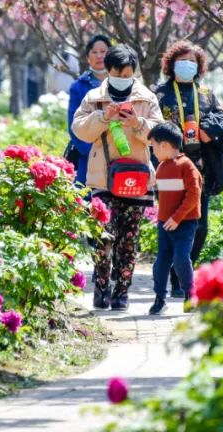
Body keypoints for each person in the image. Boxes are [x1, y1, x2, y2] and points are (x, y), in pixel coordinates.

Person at [153, 41, 223, 297]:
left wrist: (210, 135)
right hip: (170, 167)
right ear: (171, 63)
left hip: (201, 169)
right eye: (182, 60)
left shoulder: (207, 94)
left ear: (199, 67)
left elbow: (222, 121)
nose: (187, 65)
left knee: (199, 226)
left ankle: (180, 272)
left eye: (192, 61)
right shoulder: (160, 94)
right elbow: (152, 129)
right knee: (171, 221)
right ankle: (176, 280)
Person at [72, 44, 163, 311]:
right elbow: (80, 130)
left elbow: (159, 135)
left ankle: (122, 292)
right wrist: (103, 116)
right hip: (102, 177)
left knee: (128, 239)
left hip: (135, 175)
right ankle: (101, 289)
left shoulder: (146, 99)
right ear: (108, 71)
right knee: (103, 237)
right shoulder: (93, 97)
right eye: (117, 72)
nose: (122, 77)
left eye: (127, 73)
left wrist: (137, 123)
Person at [147, 122, 202, 315]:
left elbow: (193, 195)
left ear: (164, 145)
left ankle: (190, 294)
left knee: (180, 258)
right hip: (165, 224)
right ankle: (160, 298)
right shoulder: (162, 167)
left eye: (153, 146)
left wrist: (177, 218)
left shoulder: (186, 165)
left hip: (185, 223)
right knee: (161, 262)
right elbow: (162, 194)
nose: (152, 151)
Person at [66, 34, 112, 187]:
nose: (99, 56)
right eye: (94, 52)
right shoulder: (78, 87)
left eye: (103, 51)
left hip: (118, 152)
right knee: (87, 200)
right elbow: (74, 125)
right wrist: (92, 151)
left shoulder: (121, 83)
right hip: (89, 154)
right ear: (87, 57)